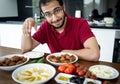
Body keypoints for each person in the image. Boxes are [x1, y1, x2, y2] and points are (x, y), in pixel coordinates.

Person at [21, 0, 100, 61]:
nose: (55, 18)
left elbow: (94, 54)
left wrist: (67, 53)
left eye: (57, 10)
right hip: (57, 71)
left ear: (63, 7)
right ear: (43, 15)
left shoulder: (80, 23)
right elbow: (26, 49)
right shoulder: (46, 26)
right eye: (48, 14)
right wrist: (27, 28)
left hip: (79, 70)